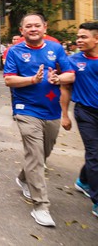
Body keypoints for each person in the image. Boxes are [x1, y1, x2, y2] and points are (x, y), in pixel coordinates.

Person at [4, 13, 74, 227]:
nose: (33, 29)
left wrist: (58, 78)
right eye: (28, 26)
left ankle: (24, 177)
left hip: (51, 110)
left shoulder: (56, 49)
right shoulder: (15, 52)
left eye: (37, 25)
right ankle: (41, 206)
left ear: (45, 27)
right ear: (22, 30)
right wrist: (32, 80)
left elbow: (70, 75)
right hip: (26, 110)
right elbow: (9, 79)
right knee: (35, 154)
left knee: (44, 153)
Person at [61, 22, 98, 219]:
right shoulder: (73, 61)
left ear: (96, 38)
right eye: (78, 37)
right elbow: (65, 86)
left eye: (84, 37)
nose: (79, 40)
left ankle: (84, 180)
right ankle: (97, 201)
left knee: (95, 155)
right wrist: (64, 114)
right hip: (86, 113)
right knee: (95, 154)